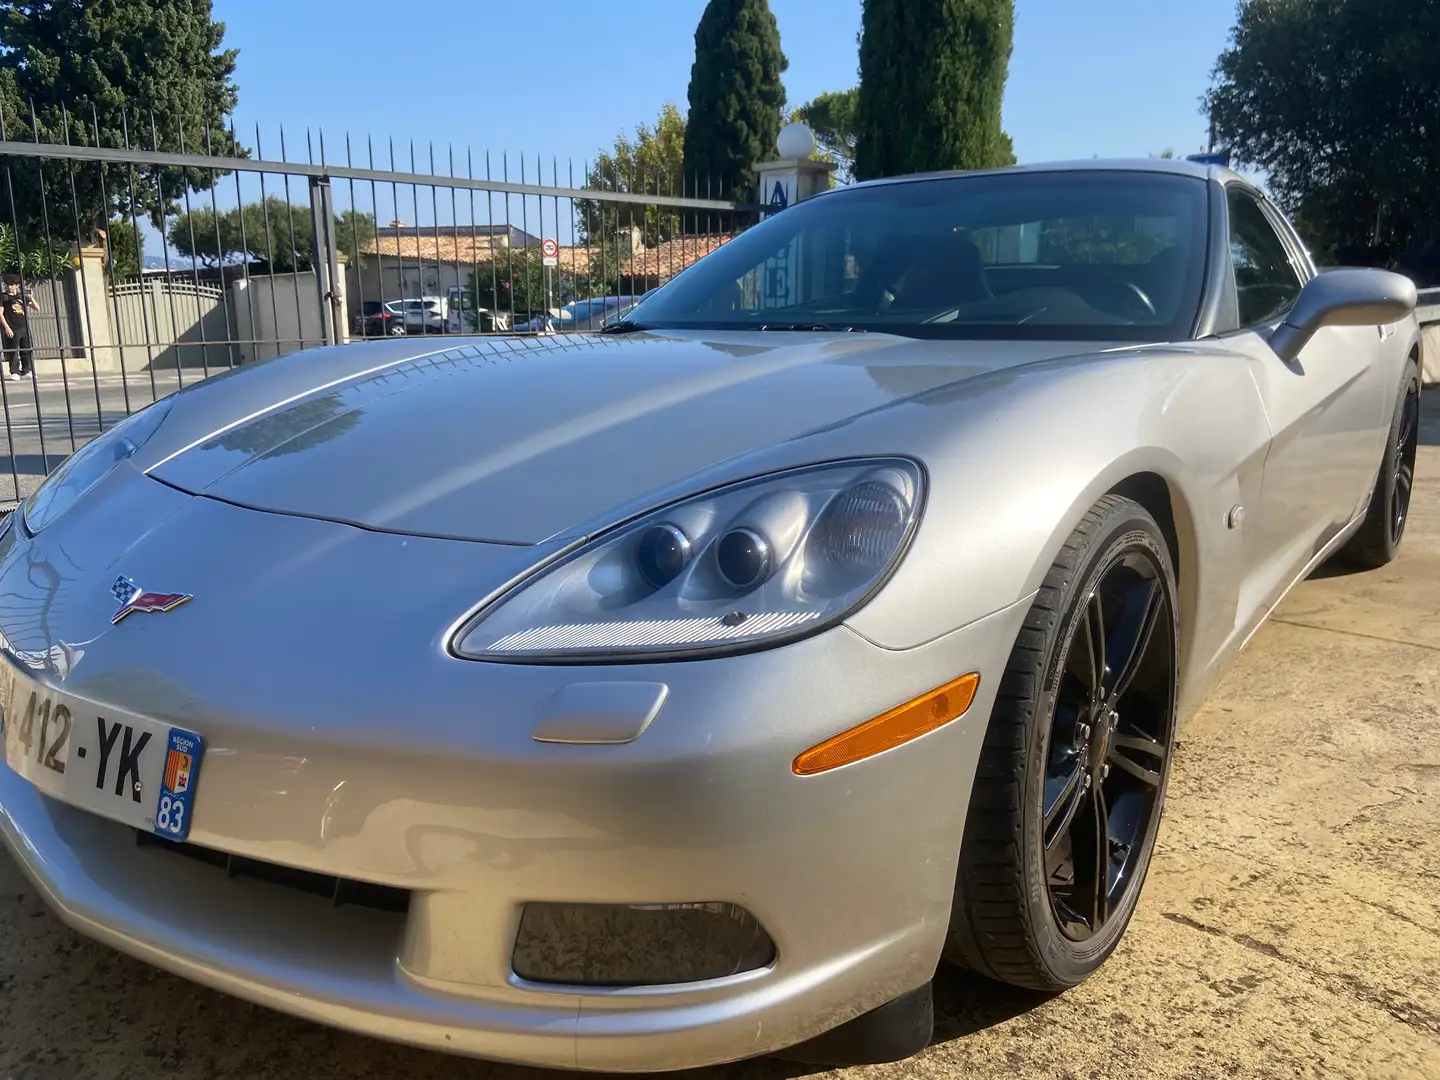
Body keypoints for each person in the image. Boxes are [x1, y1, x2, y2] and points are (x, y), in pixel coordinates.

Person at [0, 275, 39, 381]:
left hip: (24, 327)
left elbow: (37, 308)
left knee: (26, 350)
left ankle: (27, 371)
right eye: (7, 285)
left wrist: (31, 297)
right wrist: (7, 328)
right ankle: (14, 372)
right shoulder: (3, 297)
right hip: (12, 327)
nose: (9, 287)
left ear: (17, 285)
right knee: (13, 351)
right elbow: (0, 314)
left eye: (11, 285)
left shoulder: (21, 297)